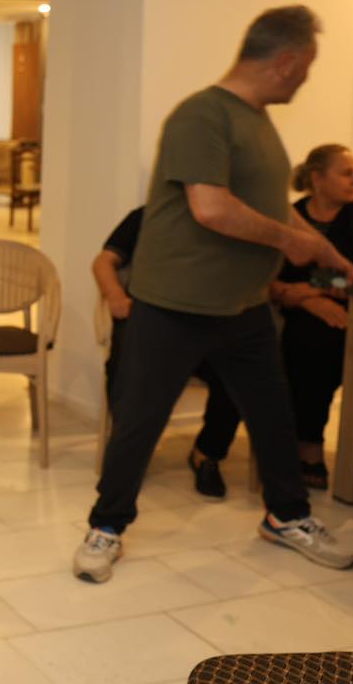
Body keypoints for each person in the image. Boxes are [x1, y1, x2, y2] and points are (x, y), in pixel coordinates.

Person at [73, 5, 353, 584]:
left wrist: (321, 247)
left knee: (273, 415)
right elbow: (210, 207)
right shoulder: (202, 114)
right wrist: (292, 241)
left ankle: (287, 515)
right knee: (139, 422)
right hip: (173, 305)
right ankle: (106, 526)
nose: (306, 79)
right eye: (307, 67)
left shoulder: (259, 122)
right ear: (286, 62)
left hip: (243, 305)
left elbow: (266, 206)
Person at [93, 206, 242, 498]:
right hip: (147, 316)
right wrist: (116, 297)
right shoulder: (145, 216)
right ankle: (129, 449)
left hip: (203, 321)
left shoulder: (222, 219)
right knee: (125, 361)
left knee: (238, 369)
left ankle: (207, 453)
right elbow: (103, 262)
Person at [269, 144, 353, 491]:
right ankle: (307, 448)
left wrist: (319, 286)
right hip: (302, 314)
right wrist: (306, 299)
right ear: (317, 178)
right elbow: (268, 277)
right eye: (347, 173)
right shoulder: (289, 219)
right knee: (311, 341)